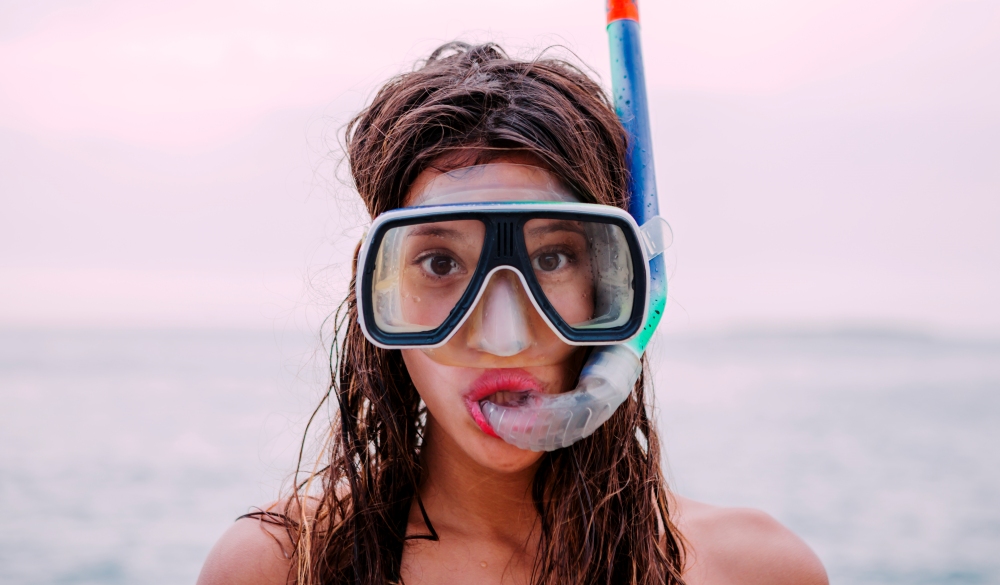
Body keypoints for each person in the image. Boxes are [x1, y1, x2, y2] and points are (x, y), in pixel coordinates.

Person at [197, 42, 828, 585]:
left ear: (618, 282)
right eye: (441, 264)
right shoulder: (281, 567)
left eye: (552, 258)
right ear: (376, 287)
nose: (503, 338)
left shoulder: (756, 569)